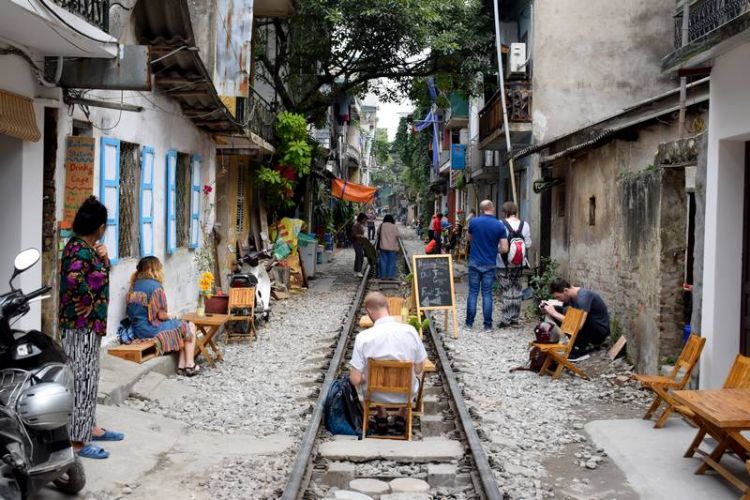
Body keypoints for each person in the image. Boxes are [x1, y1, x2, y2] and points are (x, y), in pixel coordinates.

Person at [59, 196, 123, 460]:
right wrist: (88, 300)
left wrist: (105, 260)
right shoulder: (77, 249)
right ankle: (77, 442)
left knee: (90, 377)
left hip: (90, 327)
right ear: (99, 226)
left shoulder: (89, 248)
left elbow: (95, 276)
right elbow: (74, 279)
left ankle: (91, 428)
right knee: (81, 379)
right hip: (79, 326)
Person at [349, 292, 427, 434]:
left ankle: (381, 414)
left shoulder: (363, 337)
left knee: (363, 376)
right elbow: (418, 368)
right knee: (419, 371)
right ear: (388, 306)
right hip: (405, 394)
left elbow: (354, 380)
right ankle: (402, 414)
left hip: (375, 395)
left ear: (369, 311)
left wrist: (366, 376)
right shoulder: (410, 331)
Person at [126, 257, 200, 376]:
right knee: (189, 326)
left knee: (180, 328)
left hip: (138, 330)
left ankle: (181, 365)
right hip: (151, 329)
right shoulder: (155, 286)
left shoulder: (134, 285)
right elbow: (160, 315)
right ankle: (190, 365)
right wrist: (171, 315)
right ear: (153, 269)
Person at [542, 278, 611, 361]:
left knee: (558, 313)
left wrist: (554, 313)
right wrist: (549, 308)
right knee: (557, 310)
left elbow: (579, 325)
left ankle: (580, 349)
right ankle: (576, 343)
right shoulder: (571, 296)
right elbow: (563, 310)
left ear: (566, 290)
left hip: (599, 333)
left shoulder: (583, 297)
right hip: (590, 328)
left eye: (558, 297)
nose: (558, 299)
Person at [466, 200, 508, 330]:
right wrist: (495, 250)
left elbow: (468, 238)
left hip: (474, 262)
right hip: (489, 263)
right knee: (487, 294)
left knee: (473, 293)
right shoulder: (499, 225)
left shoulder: (474, 222)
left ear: (481, 209)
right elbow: (505, 248)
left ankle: (469, 323)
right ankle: (488, 325)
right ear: (492, 208)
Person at [497, 201, 532, 327]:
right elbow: (528, 244)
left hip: (503, 262)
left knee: (506, 289)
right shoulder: (525, 225)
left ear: (504, 212)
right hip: (519, 262)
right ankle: (515, 319)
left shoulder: (501, 224)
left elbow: (499, 245)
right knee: (517, 289)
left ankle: (506, 319)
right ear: (516, 211)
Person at [378, 215, 400, 279]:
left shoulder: (381, 225)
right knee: (391, 262)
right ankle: (390, 276)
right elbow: (398, 235)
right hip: (392, 247)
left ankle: (382, 276)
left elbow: (378, 233)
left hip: (383, 247)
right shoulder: (394, 226)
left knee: (383, 262)